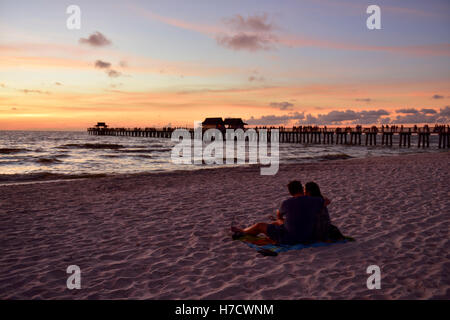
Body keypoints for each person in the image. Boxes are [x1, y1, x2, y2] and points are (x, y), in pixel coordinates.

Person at [231, 180, 324, 245]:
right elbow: (326, 201)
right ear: (302, 190)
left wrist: (279, 215)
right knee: (277, 223)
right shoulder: (315, 200)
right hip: (307, 236)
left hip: (290, 238)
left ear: (291, 193)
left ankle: (243, 231)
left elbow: (279, 215)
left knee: (259, 225)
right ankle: (250, 232)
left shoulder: (287, 203)